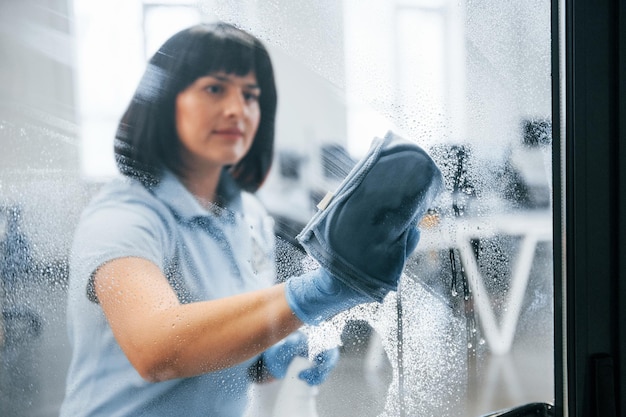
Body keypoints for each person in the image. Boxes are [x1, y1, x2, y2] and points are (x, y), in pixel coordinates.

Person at [60, 22, 431, 417]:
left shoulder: (247, 215)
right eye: (215, 88)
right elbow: (157, 350)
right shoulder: (124, 216)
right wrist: (315, 292)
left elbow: (222, 349)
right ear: (165, 102)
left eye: (251, 95)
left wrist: (270, 357)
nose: (238, 109)